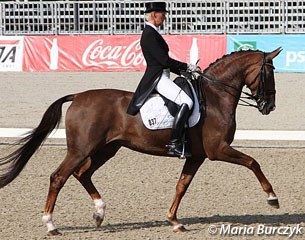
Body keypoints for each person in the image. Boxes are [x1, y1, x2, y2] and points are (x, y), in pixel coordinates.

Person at [126, 1, 200, 158]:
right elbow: (164, 61)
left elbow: (165, 62)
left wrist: (183, 71)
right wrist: (187, 66)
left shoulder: (152, 33)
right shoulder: (149, 34)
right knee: (187, 102)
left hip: (163, 74)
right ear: (154, 15)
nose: (165, 18)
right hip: (157, 78)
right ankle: (174, 144)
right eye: (163, 15)